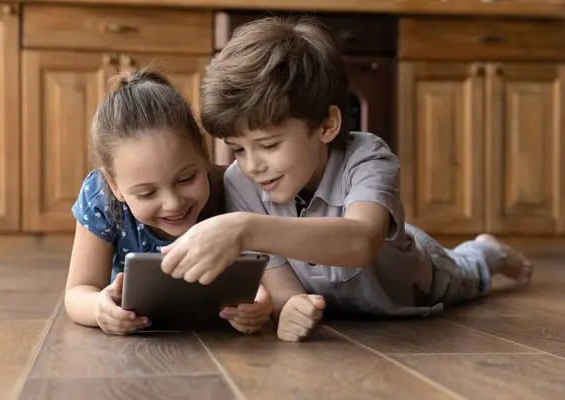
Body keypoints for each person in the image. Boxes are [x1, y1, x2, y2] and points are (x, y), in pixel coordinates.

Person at [159, 17, 534, 342]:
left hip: (416, 280)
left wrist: (242, 228)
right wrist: (289, 308)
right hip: (339, 296)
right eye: (237, 149)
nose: (251, 165)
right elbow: (280, 283)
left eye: (268, 145)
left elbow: (361, 242)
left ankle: (489, 249)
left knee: (469, 273)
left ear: (327, 125)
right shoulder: (243, 184)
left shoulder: (368, 157)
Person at [64, 69, 272, 336]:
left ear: (204, 154)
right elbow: (78, 291)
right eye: (147, 194)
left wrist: (261, 305)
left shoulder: (236, 189)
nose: (173, 203)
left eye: (186, 179)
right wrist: (98, 308)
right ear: (115, 185)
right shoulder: (100, 198)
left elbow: (268, 283)